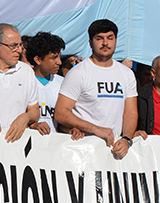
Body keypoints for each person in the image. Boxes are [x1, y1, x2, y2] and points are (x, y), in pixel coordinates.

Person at [54, 19, 138, 158]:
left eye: (110, 38)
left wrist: (127, 139)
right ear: (90, 43)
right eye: (99, 38)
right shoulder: (79, 73)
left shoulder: (127, 73)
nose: (105, 43)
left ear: (116, 40)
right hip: (82, 150)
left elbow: (130, 113)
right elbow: (61, 113)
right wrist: (95, 129)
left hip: (113, 152)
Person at [25, 31, 65, 135]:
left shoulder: (63, 83)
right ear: (38, 60)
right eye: (54, 57)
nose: (59, 62)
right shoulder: (23, 81)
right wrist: (34, 125)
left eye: (59, 57)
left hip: (54, 146)